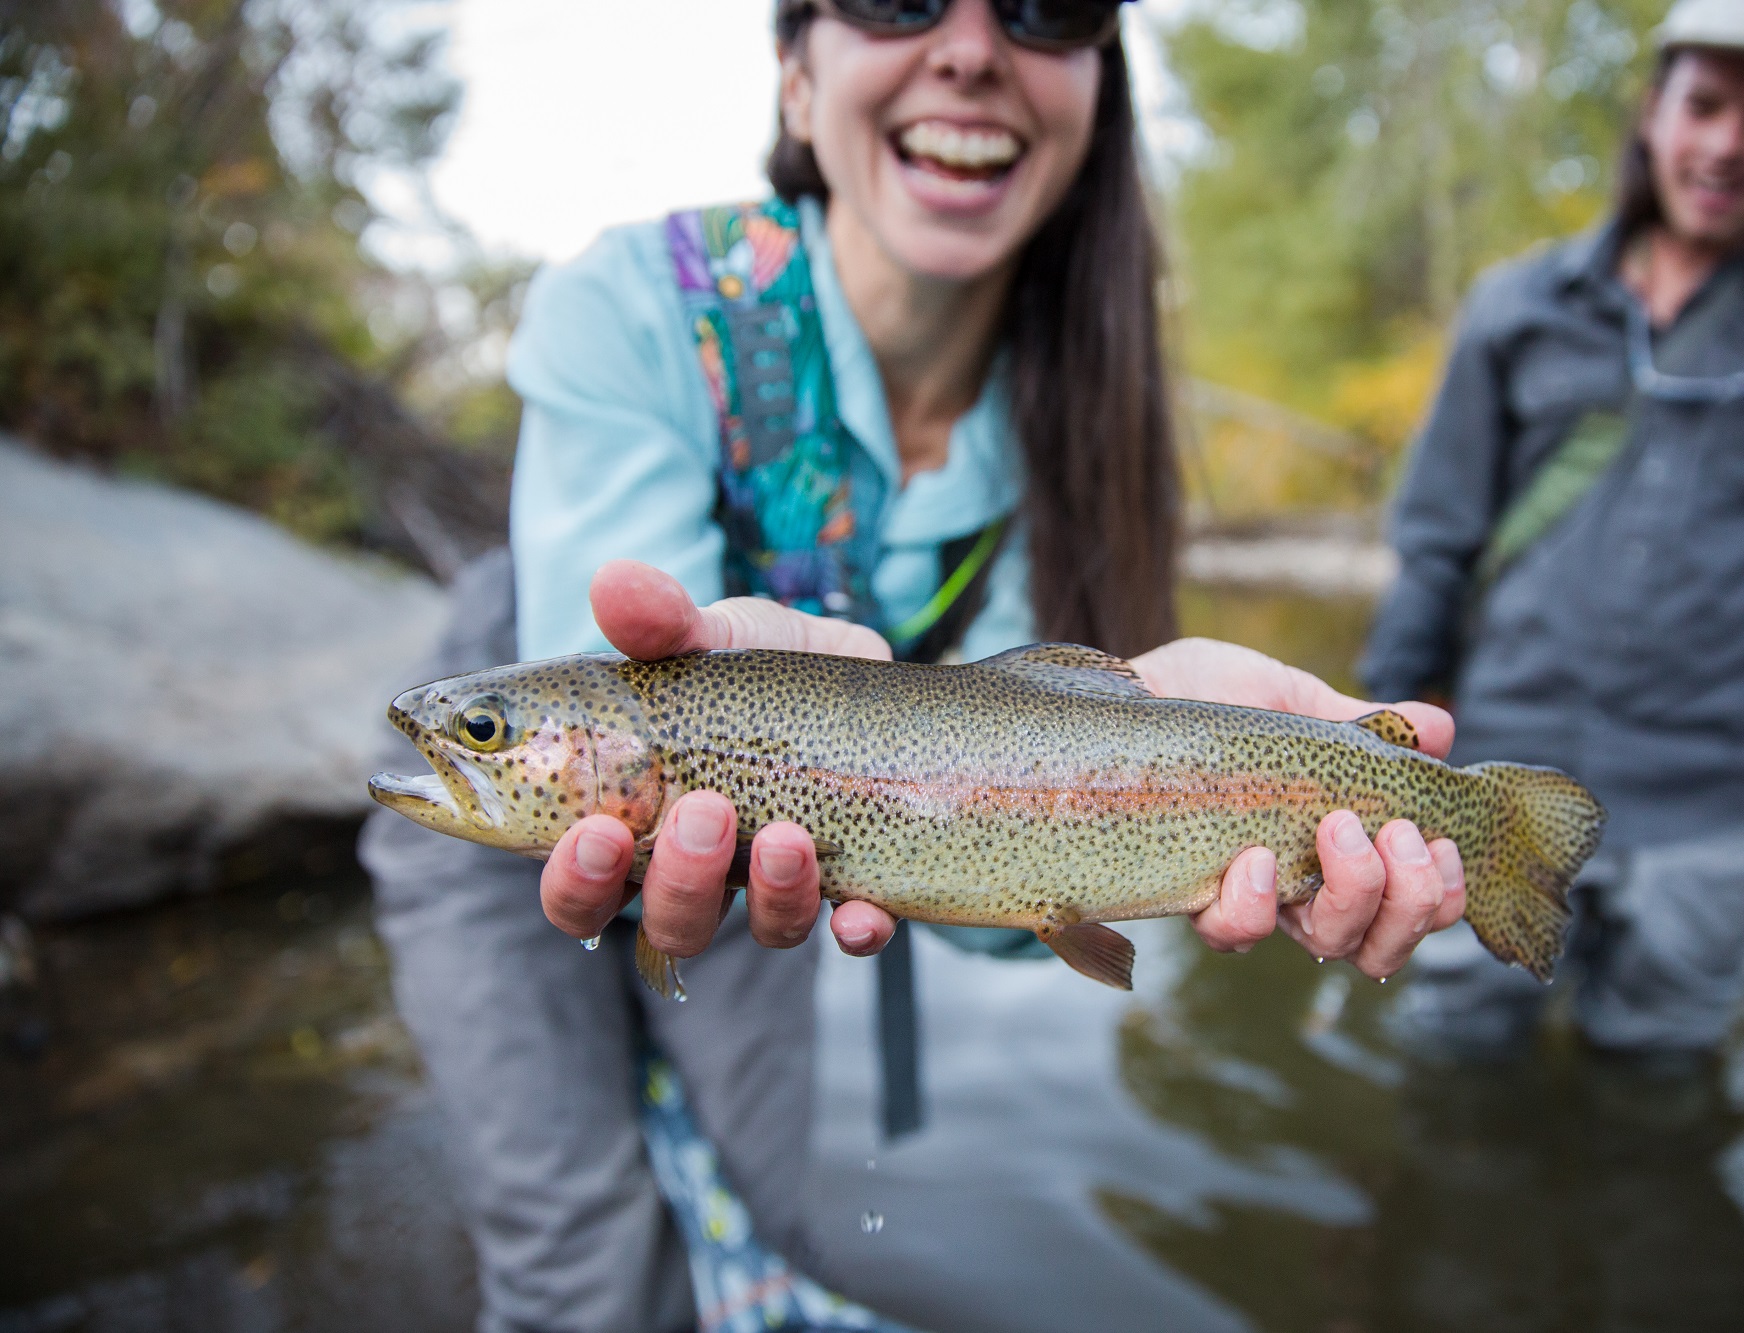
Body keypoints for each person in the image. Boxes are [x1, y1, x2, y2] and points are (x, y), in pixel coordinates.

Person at [365, 3, 1469, 1329]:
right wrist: (732, 702)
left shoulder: (1083, 412)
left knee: (784, 1202)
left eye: (1044, 8)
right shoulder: (636, 302)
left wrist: (1191, 807)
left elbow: (1001, 907)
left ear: (1099, 93)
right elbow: (613, 693)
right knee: (581, 1256)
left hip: (816, 832)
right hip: (566, 823)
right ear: (794, 69)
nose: (969, 47)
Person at [1364, 0, 1744, 1061]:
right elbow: (1436, 546)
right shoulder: (1515, 306)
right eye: (1706, 105)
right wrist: (1368, 745)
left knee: (1655, 1078)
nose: (1728, 143)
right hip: (1492, 777)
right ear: (1652, 112)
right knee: (1452, 1060)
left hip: (1720, 812)